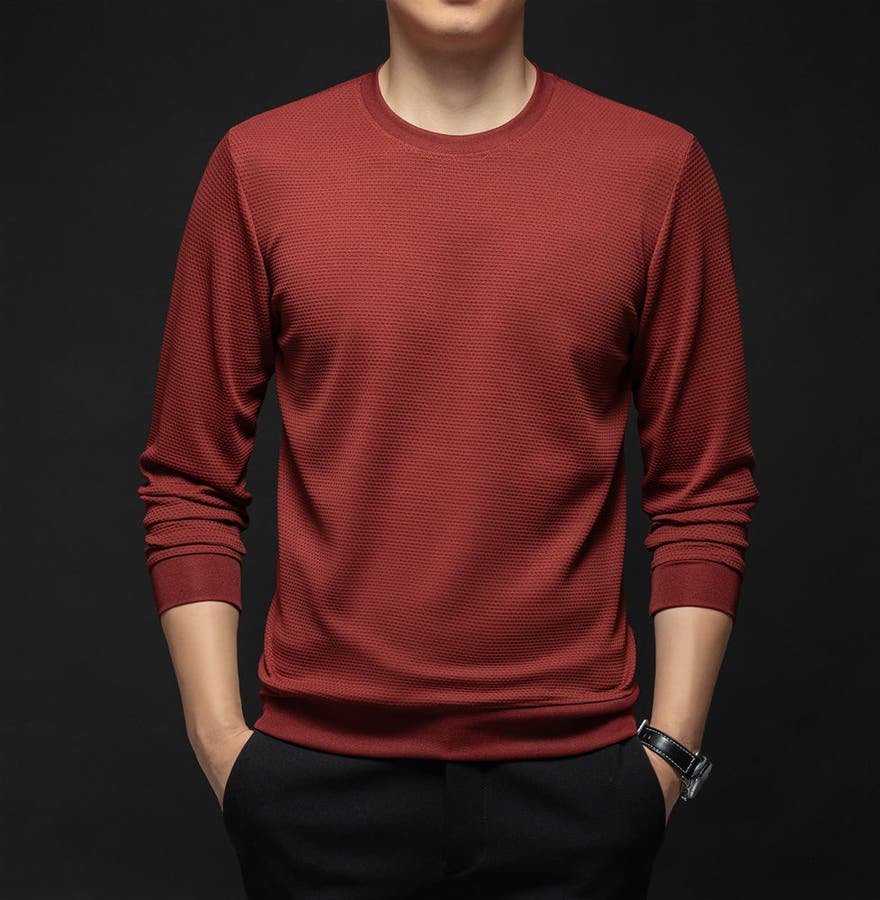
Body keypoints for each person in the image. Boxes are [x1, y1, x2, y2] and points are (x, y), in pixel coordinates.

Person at [136, 1, 760, 897]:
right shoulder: (259, 165)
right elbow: (190, 476)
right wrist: (220, 743)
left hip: (580, 784)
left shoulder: (656, 170)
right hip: (316, 783)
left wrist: (667, 756)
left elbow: (704, 486)